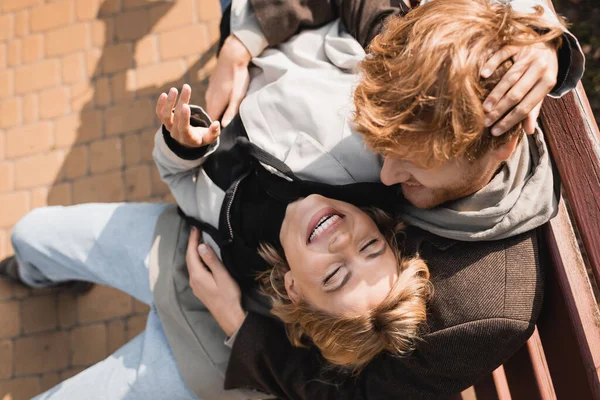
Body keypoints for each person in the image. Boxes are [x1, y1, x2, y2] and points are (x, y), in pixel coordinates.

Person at [0, 0, 584, 399]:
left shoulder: (484, 304)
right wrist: (548, 44)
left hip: (219, 339)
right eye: (383, 150)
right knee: (31, 234)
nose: (381, 176)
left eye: (410, 166)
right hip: (192, 239)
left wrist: (236, 324)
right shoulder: (409, 80)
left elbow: (352, 393)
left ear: (503, 142)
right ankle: (38, 272)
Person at [152, 85, 432, 371]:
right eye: (370, 245)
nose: (343, 242)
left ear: (294, 289)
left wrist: (184, 146)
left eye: (334, 275)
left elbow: (180, 179)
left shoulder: (230, 254)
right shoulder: (356, 141)